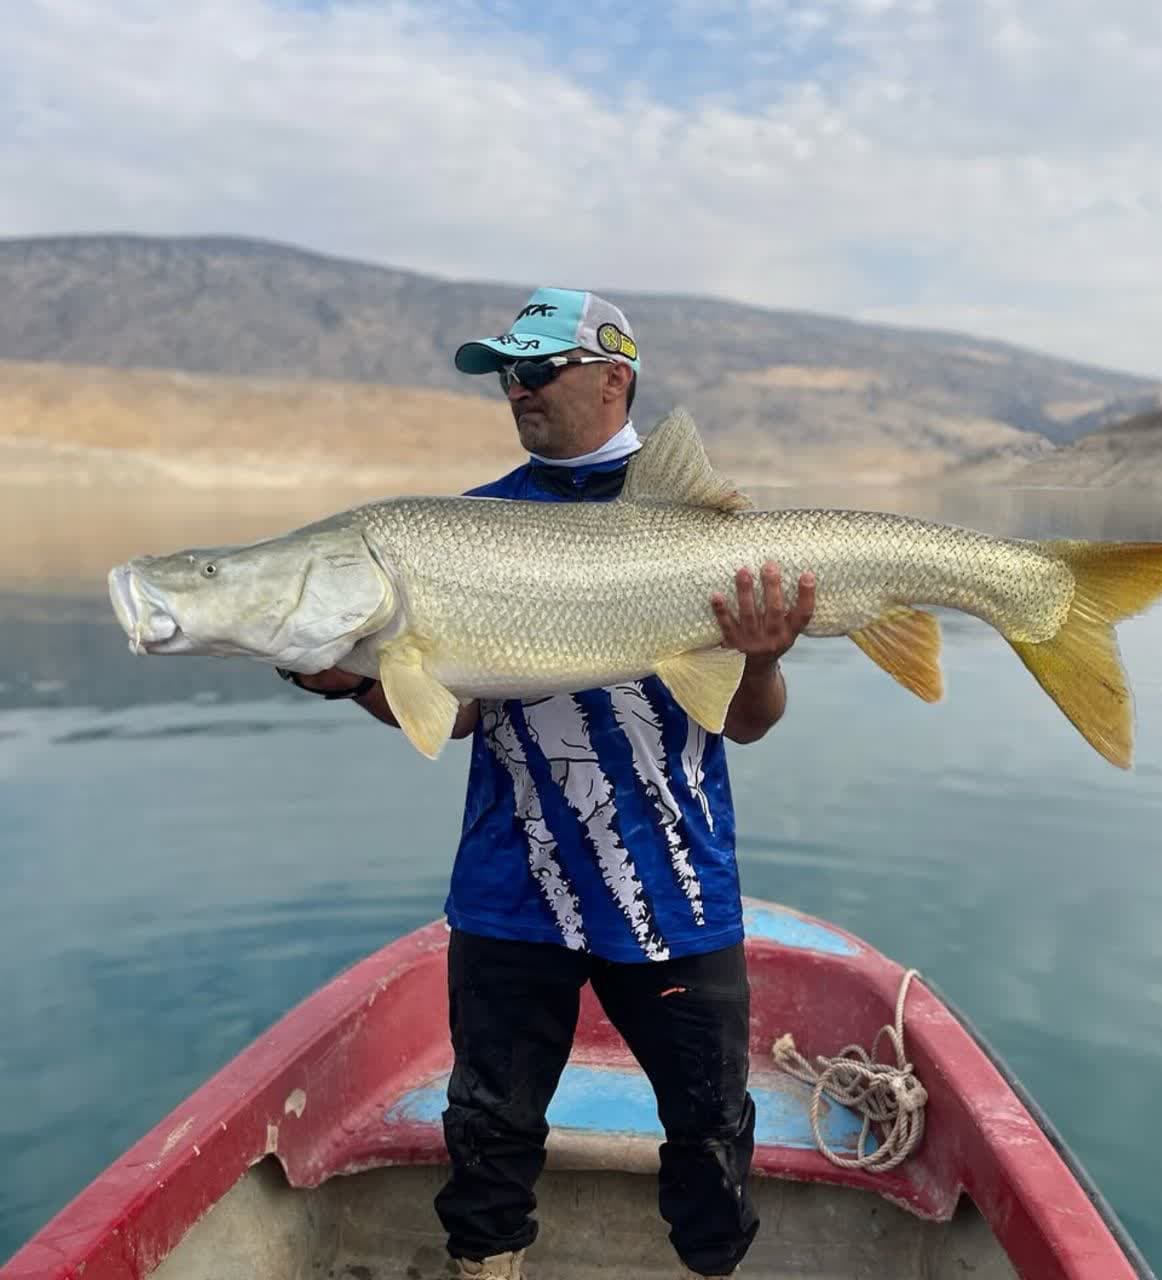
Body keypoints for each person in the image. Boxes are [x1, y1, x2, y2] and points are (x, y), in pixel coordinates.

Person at [281, 289, 817, 1279]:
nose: (516, 389)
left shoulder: (696, 525)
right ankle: (484, 1267)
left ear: (616, 377)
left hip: (673, 887)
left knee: (708, 1124)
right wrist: (357, 679)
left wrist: (762, 656)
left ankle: (713, 1268)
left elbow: (743, 720)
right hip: (509, 887)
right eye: (505, 373)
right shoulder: (471, 525)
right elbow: (464, 711)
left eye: (537, 368)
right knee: (486, 1125)